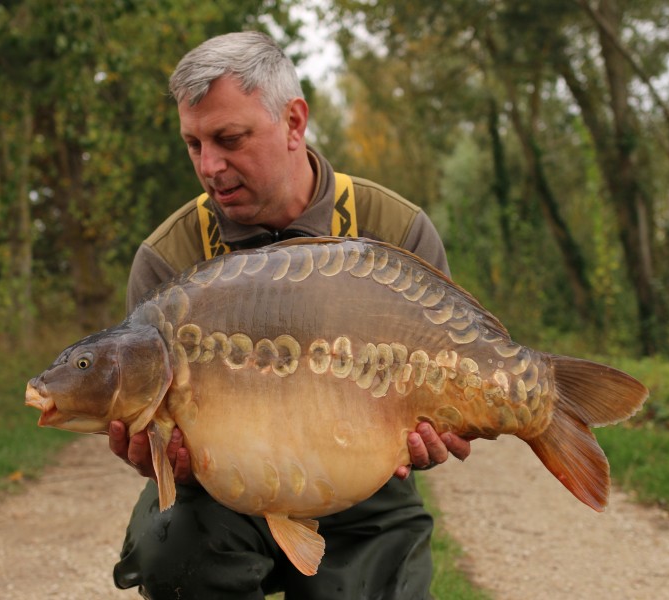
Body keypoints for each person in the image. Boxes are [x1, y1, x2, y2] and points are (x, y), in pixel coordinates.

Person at [108, 30, 472, 600]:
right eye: (194, 144)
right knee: (169, 545)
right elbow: (155, 432)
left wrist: (438, 434)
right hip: (225, 497)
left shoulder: (394, 229)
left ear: (294, 123)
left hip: (365, 492)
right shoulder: (169, 258)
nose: (210, 165)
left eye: (229, 138)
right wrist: (157, 456)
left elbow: (444, 399)